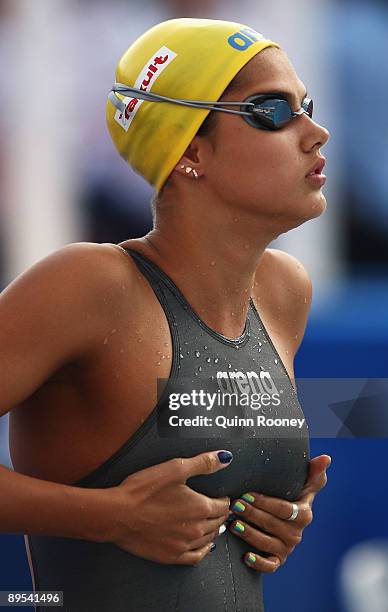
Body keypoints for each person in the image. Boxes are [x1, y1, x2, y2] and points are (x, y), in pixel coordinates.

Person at [0, 18, 331, 611]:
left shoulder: (283, 292)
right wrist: (110, 517)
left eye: (305, 106)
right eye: (273, 112)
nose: (315, 132)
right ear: (191, 152)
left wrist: (274, 518)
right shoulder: (91, 287)